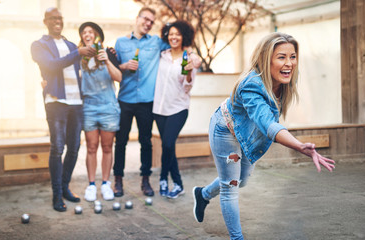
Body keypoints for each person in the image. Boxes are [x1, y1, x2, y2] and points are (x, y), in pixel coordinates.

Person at [192, 32, 336, 239]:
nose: (289, 63)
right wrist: (299, 146)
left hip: (249, 134)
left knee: (241, 180)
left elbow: (268, 121)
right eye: (281, 57)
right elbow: (268, 123)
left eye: (292, 56)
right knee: (230, 187)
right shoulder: (251, 85)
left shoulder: (283, 82)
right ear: (265, 59)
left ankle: (203, 194)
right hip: (226, 130)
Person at [30, 8, 96, 212]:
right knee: (57, 148)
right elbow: (50, 66)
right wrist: (78, 53)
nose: (57, 21)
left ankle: (65, 186)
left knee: (74, 148)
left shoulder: (70, 45)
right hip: (56, 101)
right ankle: (57, 194)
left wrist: (88, 57)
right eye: (53, 18)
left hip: (76, 103)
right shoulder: (39, 45)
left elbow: (80, 69)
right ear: (45, 21)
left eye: (60, 18)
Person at [112, 7, 171, 197]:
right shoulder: (121, 43)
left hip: (147, 101)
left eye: (151, 22)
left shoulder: (156, 42)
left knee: (146, 141)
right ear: (137, 19)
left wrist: (192, 57)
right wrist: (124, 65)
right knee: (120, 141)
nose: (148, 23)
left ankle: (145, 180)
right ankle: (118, 180)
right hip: (125, 100)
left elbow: (177, 45)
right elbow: (114, 71)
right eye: (145, 19)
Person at [78, 22, 123, 202]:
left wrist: (105, 60)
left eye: (91, 32)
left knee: (106, 147)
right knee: (91, 147)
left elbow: (119, 78)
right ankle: (91, 185)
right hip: (88, 107)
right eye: (84, 32)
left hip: (108, 107)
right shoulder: (79, 56)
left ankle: (105, 183)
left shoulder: (109, 53)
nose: (87, 34)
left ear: (98, 36)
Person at [153, 20, 198, 199]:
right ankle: (172, 183)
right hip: (159, 108)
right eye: (171, 34)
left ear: (183, 37)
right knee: (168, 147)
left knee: (168, 144)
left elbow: (188, 86)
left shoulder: (188, 58)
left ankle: (168, 180)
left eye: (177, 34)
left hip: (178, 107)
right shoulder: (162, 55)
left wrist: (188, 72)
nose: (173, 37)